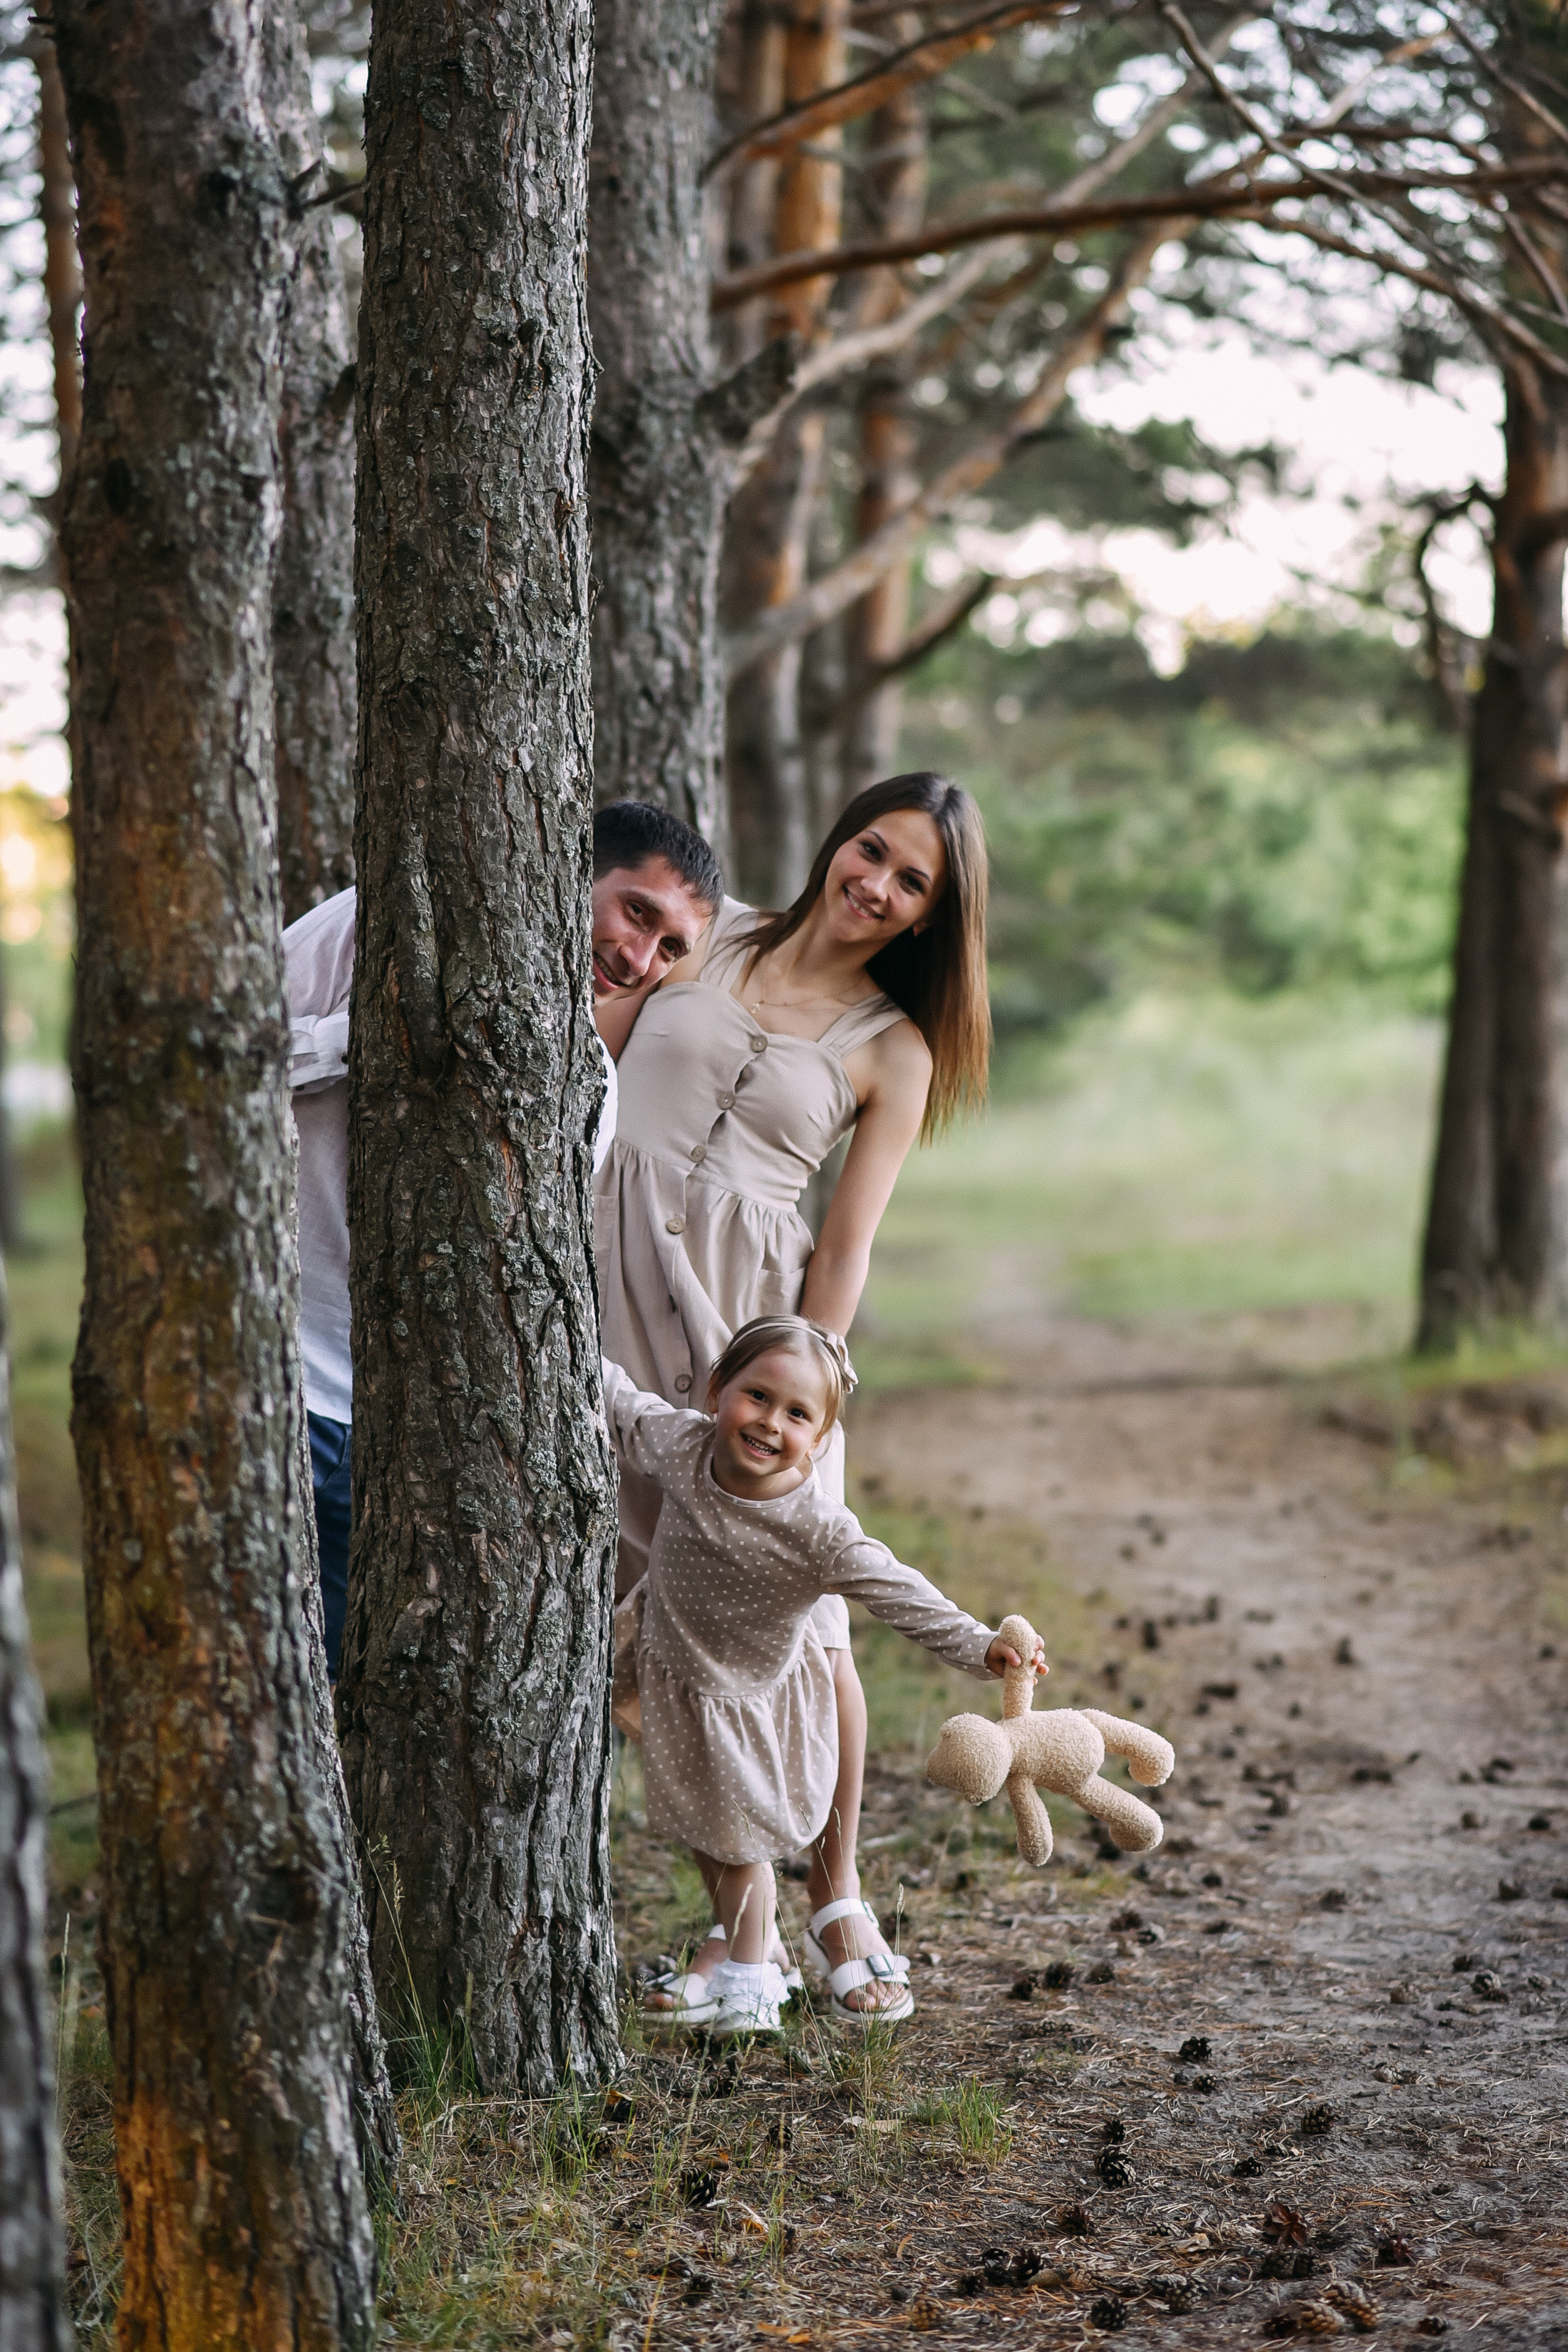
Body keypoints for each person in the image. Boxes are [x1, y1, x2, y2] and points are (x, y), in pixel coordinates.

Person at [594, 772, 991, 2016]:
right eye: (871, 850)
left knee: (801, 1605)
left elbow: (847, 1242)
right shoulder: (710, 933)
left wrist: (808, 1385)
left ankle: (838, 1891)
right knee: (647, 1601)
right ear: (840, 841)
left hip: (751, 1325)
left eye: (911, 880)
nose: (876, 884)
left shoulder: (897, 1047)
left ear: (932, 914)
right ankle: (740, 1930)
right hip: (604, 1269)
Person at [284, 801, 723, 1676]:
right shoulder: (373, 923)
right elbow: (231, 1055)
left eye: (671, 947)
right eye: (636, 912)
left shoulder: (587, 1086)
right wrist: (367, 1037)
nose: (639, 958)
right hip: (274, 1367)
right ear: (572, 866)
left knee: (342, 1682)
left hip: (390, 1419)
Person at [602, 1316, 1040, 2036]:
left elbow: (898, 1590)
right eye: (757, 1397)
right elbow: (622, 1404)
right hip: (677, 1673)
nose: (770, 1423)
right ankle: (746, 1951)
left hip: (750, 1698)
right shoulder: (684, 1446)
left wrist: (978, 1644)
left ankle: (753, 1980)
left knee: (741, 1843)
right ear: (718, 1390)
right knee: (706, 1834)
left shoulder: (817, 1528)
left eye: (797, 1414)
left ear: (822, 1437)